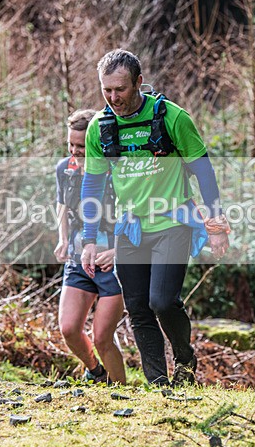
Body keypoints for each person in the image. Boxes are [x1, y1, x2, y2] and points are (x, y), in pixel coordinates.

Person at [79, 49, 230, 386]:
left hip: (173, 223)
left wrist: (217, 226)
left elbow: (205, 175)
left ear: (139, 83)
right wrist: (89, 240)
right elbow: (92, 185)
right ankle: (158, 384)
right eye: (107, 91)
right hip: (131, 228)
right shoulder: (99, 128)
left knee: (162, 301)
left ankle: (185, 361)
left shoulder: (173, 118)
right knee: (138, 309)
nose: (114, 98)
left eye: (120, 89)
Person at [54, 109, 126, 385]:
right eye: (70, 144)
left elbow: (134, 213)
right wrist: (62, 238)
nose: (75, 150)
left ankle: (124, 394)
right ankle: (96, 372)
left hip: (113, 263)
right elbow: (62, 206)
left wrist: (118, 251)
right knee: (69, 328)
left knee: (102, 337)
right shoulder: (65, 169)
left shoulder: (115, 171)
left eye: (81, 146)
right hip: (79, 258)